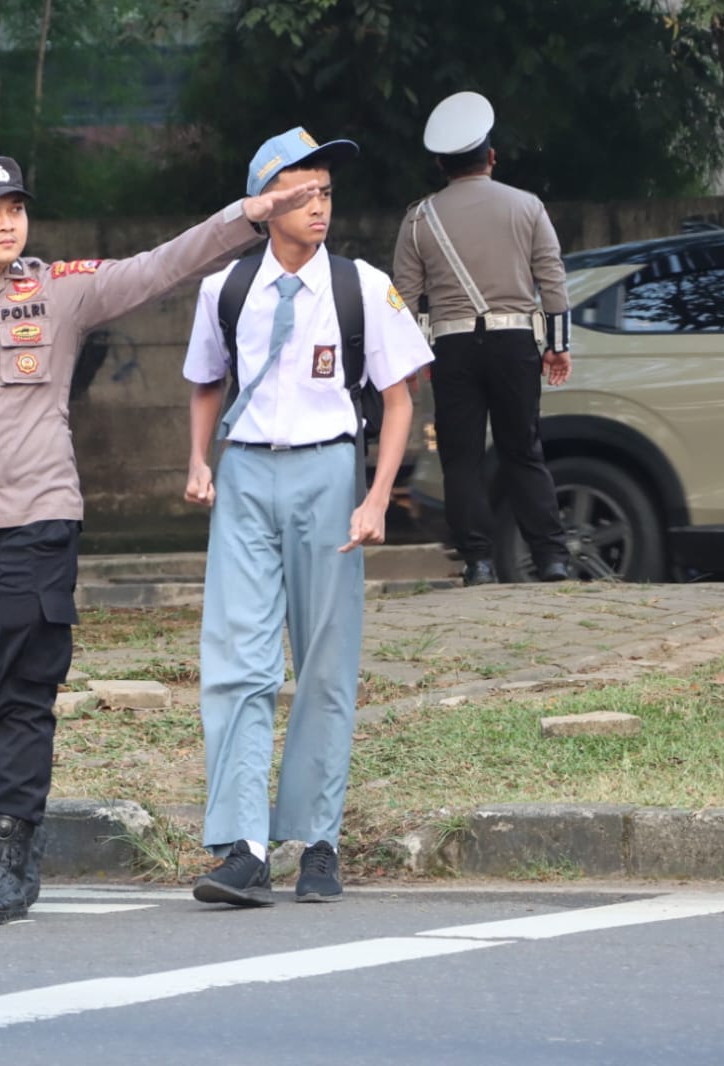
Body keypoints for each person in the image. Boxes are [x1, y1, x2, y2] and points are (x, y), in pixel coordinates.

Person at [0, 154, 320, 927]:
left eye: (16, 208)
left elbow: (159, 267)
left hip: (37, 521)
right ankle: (3, 812)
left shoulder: (59, 290)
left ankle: (9, 844)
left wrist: (249, 214)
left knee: (20, 686)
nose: (7, 222)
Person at [181, 128, 432, 907]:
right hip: (247, 472)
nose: (317, 205)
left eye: (325, 191)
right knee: (236, 657)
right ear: (265, 203)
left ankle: (316, 841)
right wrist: (198, 460)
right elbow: (205, 383)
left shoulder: (360, 286)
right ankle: (243, 845)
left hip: (328, 469)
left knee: (324, 660)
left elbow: (397, 397)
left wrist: (375, 493)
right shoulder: (225, 289)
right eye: (300, 192)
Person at [392, 91, 573, 587]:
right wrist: (557, 344)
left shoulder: (417, 219)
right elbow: (552, 279)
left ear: (439, 164)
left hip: (450, 351)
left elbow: (402, 299)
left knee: (461, 457)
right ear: (491, 157)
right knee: (524, 450)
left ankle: (478, 562)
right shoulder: (528, 207)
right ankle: (551, 557)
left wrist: (410, 361)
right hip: (515, 345)